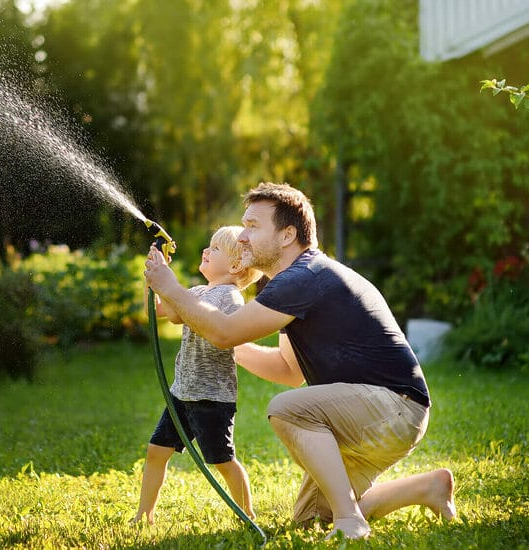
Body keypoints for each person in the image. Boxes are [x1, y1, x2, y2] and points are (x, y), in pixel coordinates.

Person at [143, 182, 456, 540]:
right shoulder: (292, 283)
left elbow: (225, 332)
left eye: (253, 226)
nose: (242, 236)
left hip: (393, 408)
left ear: (287, 234)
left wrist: (171, 289)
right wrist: (228, 347)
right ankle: (427, 488)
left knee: (287, 408)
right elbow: (288, 371)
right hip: (377, 413)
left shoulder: (303, 277)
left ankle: (350, 522)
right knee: (310, 519)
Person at [132, 226, 264, 525]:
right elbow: (163, 311)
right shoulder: (195, 292)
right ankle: (144, 514)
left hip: (212, 398)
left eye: (215, 249)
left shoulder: (230, 298)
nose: (206, 251)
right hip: (182, 392)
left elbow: (224, 328)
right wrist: (153, 279)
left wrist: (171, 286)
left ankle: (247, 514)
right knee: (156, 450)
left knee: (222, 460)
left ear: (234, 266)